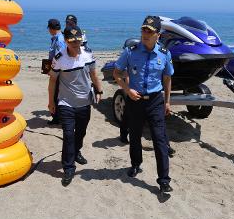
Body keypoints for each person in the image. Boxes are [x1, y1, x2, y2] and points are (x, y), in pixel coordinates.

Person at [113, 15, 174, 193]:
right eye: (143, 30)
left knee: (159, 140)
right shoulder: (130, 52)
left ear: (158, 35)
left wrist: (167, 101)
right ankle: (135, 164)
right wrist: (127, 90)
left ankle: (163, 180)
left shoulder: (164, 53)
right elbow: (117, 73)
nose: (145, 34)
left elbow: (167, 78)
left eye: (150, 31)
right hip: (135, 100)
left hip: (155, 101)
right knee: (135, 136)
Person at [48, 25, 103, 186]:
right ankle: (68, 167)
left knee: (80, 132)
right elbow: (52, 80)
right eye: (72, 41)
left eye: (78, 41)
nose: (76, 44)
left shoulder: (88, 55)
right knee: (68, 134)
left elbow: (94, 74)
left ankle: (77, 151)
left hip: (84, 102)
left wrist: (99, 90)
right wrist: (51, 102)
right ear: (65, 41)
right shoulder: (59, 58)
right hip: (65, 103)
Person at [45, 19, 67, 125]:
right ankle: (57, 117)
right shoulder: (57, 38)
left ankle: (57, 118)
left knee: (56, 94)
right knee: (56, 93)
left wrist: (53, 70)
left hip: (58, 71)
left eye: (49, 28)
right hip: (57, 69)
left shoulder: (59, 39)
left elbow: (59, 56)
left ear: (51, 28)